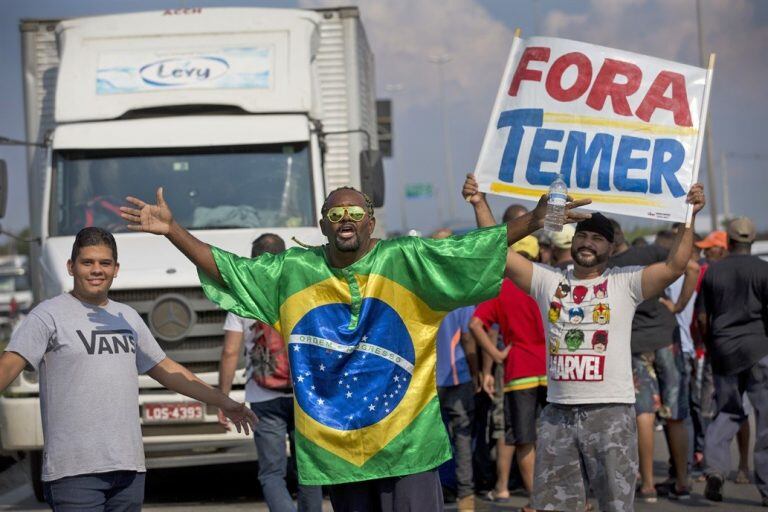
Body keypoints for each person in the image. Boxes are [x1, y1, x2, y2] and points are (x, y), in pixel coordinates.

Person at [120, 185, 591, 511]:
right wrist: (174, 231)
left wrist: (536, 218)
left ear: (371, 221)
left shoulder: (406, 260)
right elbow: (228, 270)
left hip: (407, 443)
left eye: (355, 213)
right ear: (323, 224)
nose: (345, 221)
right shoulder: (292, 270)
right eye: (335, 214)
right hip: (340, 448)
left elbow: (471, 250)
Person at [462, 174, 704, 512]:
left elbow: (675, 265)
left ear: (610, 246)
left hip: (611, 413)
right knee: (555, 506)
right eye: (582, 236)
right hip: (557, 414)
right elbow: (497, 253)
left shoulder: (625, 282)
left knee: (614, 507)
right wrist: (480, 203)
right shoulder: (548, 280)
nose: (588, 243)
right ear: (573, 242)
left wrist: (689, 214)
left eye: (597, 238)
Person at [0, 227, 256, 511]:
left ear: (116, 269)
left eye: (104, 263)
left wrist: (224, 400)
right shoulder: (47, 315)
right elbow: (9, 365)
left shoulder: (128, 317)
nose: (96, 270)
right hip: (73, 472)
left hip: (128, 470)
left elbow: (167, 369)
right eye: (87, 262)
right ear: (71, 267)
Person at [218, 233, 323, 512]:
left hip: (263, 396)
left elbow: (230, 352)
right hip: (304, 394)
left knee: (271, 472)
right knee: (309, 470)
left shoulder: (243, 299)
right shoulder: (303, 293)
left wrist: (223, 399)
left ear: (252, 260)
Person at [610, 220, 699, 501]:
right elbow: (693, 267)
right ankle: (683, 481)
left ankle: (647, 484)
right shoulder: (651, 252)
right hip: (666, 336)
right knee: (675, 412)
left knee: (644, 413)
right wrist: (680, 305)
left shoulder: (609, 269)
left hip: (635, 343)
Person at [470, 235, 546, 511]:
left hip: (519, 371)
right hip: (552, 369)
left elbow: (476, 324)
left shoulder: (502, 288)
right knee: (558, 435)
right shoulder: (547, 282)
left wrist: (497, 354)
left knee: (524, 439)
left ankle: (537, 501)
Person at [698, 217, 768, 504]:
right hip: (759, 350)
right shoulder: (764, 270)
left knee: (727, 411)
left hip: (724, 350)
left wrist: (712, 345)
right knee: (765, 418)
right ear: (751, 242)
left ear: (728, 241)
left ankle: (715, 469)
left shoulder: (713, 272)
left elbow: (703, 317)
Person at [435, 304, 479, 511]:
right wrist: (476, 372)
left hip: (431, 378)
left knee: (437, 437)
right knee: (463, 436)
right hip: (458, 377)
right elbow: (468, 338)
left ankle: (443, 486)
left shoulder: (428, 293)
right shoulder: (464, 301)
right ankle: (466, 494)